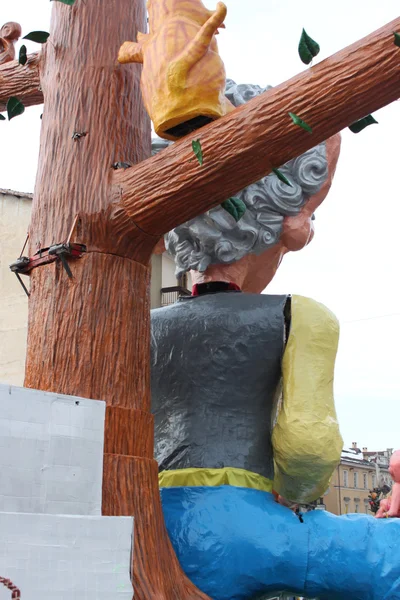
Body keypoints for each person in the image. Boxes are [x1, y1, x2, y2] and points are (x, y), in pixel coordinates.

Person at [150, 81, 400, 600]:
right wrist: (296, 499)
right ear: (289, 222)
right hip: (243, 531)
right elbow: (307, 448)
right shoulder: (297, 315)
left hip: (144, 522)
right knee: (386, 557)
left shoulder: (142, 324)